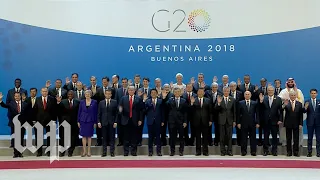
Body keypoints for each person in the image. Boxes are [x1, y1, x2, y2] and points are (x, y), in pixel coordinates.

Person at [278, 78, 305, 146]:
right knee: (284, 130)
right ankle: (284, 142)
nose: (290, 83)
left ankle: (298, 143)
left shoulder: (298, 91)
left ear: (294, 83)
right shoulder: (283, 91)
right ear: (287, 83)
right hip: (286, 115)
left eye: (291, 82)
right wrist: (285, 101)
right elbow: (279, 100)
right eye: (289, 82)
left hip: (296, 115)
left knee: (298, 131)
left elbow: (301, 101)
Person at [119, 86, 143, 156]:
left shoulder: (138, 99)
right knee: (126, 136)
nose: (131, 91)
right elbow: (120, 107)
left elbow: (141, 110)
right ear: (128, 91)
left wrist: (140, 119)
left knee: (134, 137)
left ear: (134, 91)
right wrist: (121, 112)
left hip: (135, 120)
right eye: (130, 90)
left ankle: (133, 151)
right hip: (125, 120)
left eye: (132, 90)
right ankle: (126, 151)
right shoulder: (123, 98)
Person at [0, 92, 26, 158]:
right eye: (16, 96)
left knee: (21, 139)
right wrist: (0, 100)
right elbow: (4, 105)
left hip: (22, 124)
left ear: (20, 96)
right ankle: (15, 153)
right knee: (15, 139)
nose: (17, 97)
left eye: (18, 96)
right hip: (14, 124)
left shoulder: (25, 104)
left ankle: (20, 153)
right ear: (14, 97)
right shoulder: (11, 104)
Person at [259, 86, 283, 156]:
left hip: (275, 121)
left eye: (271, 90)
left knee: (274, 137)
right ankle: (265, 150)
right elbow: (260, 110)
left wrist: (280, 119)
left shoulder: (278, 99)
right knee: (265, 137)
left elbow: (280, 110)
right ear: (267, 91)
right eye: (269, 90)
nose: (270, 91)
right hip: (265, 121)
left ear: (274, 91)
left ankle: (274, 151)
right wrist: (260, 102)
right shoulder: (264, 98)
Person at [33, 87, 57, 157]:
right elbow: (34, 110)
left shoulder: (52, 99)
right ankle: (39, 152)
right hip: (39, 121)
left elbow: (54, 110)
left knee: (50, 137)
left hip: (49, 121)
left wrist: (54, 120)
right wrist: (34, 120)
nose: (44, 92)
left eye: (46, 91)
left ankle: (49, 152)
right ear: (41, 92)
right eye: (43, 91)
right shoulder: (37, 99)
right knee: (39, 137)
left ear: (47, 92)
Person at [163, 88, 187, 156]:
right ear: (173, 93)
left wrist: (185, 121)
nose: (177, 93)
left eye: (178, 92)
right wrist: (164, 98)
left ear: (180, 93)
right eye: (175, 92)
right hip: (172, 121)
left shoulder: (184, 101)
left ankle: (181, 151)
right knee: (172, 137)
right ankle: (172, 151)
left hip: (181, 121)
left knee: (181, 137)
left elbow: (185, 112)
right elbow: (165, 106)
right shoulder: (170, 100)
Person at [190, 88, 212, 156]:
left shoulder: (208, 100)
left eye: (202, 92)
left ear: (204, 93)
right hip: (196, 122)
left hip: (205, 121)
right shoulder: (194, 100)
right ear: (197, 93)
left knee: (205, 137)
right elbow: (190, 111)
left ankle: (205, 151)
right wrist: (191, 104)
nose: (200, 93)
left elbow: (210, 112)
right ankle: (198, 151)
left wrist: (210, 120)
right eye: (199, 92)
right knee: (198, 137)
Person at [57, 90, 80, 157]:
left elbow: (79, 113)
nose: (70, 95)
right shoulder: (62, 102)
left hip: (74, 123)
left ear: (73, 95)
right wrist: (58, 102)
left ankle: (70, 151)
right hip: (64, 123)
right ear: (67, 95)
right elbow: (58, 112)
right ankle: (62, 152)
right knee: (63, 138)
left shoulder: (77, 102)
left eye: (71, 94)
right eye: (69, 94)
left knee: (73, 138)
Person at [237, 91, 259, 156]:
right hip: (243, 123)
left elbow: (257, 113)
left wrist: (257, 122)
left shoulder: (254, 103)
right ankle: (243, 151)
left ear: (250, 95)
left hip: (252, 123)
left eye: (248, 94)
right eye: (246, 94)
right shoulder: (240, 103)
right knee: (243, 138)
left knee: (253, 138)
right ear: (244, 95)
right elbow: (238, 114)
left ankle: (253, 151)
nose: (247, 95)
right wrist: (238, 123)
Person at [215, 86, 236, 156]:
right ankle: (222, 151)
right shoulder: (219, 98)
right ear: (223, 92)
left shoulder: (232, 99)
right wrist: (218, 103)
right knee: (222, 137)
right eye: (225, 91)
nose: (226, 92)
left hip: (230, 121)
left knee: (229, 137)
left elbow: (234, 111)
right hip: (221, 121)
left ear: (229, 91)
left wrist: (234, 121)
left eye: (227, 91)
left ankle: (229, 151)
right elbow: (215, 109)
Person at [282, 90, 303, 157]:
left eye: (294, 95)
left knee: (296, 139)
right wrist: (284, 105)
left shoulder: (299, 104)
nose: (293, 96)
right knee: (288, 139)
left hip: (296, 124)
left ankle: (296, 151)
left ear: (296, 96)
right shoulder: (286, 103)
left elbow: (301, 115)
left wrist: (300, 124)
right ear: (289, 96)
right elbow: (281, 109)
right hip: (288, 123)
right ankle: (289, 152)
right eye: (291, 95)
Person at [97, 89, 118, 157]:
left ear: (111, 95)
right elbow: (99, 113)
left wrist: (115, 121)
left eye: (109, 94)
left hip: (112, 122)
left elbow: (117, 113)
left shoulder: (115, 102)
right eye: (107, 94)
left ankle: (112, 151)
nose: (108, 95)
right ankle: (104, 152)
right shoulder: (101, 102)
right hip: (103, 122)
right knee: (104, 138)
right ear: (105, 94)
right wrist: (99, 122)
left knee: (112, 138)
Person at [77, 90, 98, 157]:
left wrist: (95, 122)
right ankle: (84, 151)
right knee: (83, 136)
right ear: (84, 95)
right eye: (86, 94)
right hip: (83, 120)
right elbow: (79, 112)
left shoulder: (94, 102)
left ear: (91, 95)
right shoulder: (82, 102)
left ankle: (89, 151)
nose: (87, 95)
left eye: (88, 94)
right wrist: (78, 121)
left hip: (90, 121)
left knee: (89, 136)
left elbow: (95, 113)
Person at [144, 89, 164, 156]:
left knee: (158, 137)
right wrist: (146, 104)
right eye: (152, 92)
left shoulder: (160, 101)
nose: (153, 94)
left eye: (154, 92)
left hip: (158, 121)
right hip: (150, 121)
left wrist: (162, 121)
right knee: (150, 137)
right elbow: (145, 111)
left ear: (157, 93)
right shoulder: (147, 101)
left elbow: (162, 112)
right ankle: (150, 151)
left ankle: (159, 151)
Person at [304, 89, 320, 157]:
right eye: (312, 93)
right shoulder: (307, 102)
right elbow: (304, 111)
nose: (313, 94)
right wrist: (305, 107)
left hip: (318, 123)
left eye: (314, 93)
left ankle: (318, 152)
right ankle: (309, 152)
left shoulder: (319, 102)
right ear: (310, 94)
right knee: (309, 138)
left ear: (317, 94)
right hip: (310, 122)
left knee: (318, 138)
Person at [205, 82, 221, 146]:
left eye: (215, 87)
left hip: (218, 114)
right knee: (209, 129)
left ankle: (216, 141)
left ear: (217, 88)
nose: (214, 88)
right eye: (213, 87)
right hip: (209, 113)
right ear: (211, 87)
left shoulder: (220, 94)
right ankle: (210, 141)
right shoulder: (207, 93)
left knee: (217, 128)